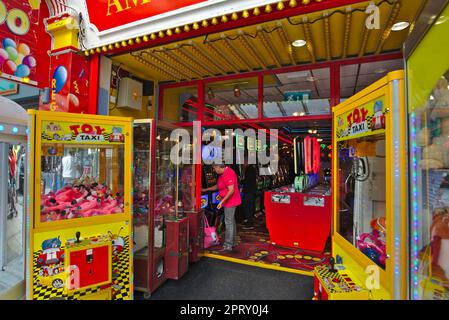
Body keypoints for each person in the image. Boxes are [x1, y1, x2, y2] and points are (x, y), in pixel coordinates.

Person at [202, 164, 241, 252]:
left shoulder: (228, 173)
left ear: (219, 167)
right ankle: (233, 242)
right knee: (231, 221)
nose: (214, 170)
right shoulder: (222, 174)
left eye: (215, 168)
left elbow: (231, 190)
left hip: (231, 201)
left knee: (228, 222)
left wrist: (222, 202)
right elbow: (219, 186)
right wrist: (206, 190)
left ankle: (228, 245)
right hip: (228, 201)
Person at [242, 162, 257, 230]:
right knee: (250, 207)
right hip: (251, 191)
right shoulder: (252, 169)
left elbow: (247, 180)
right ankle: (249, 220)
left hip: (249, 191)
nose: (243, 164)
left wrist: (240, 182)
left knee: (248, 207)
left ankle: (250, 223)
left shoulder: (249, 169)